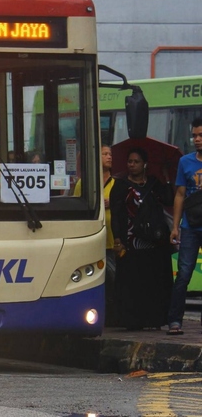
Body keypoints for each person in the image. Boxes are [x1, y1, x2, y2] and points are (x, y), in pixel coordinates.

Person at [109, 147, 173, 330]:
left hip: (155, 242)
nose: (132, 165)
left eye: (136, 161)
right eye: (130, 161)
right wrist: (118, 239)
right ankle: (133, 321)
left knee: (154, 281)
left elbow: (168, 199)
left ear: (145, 164)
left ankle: (155, 319)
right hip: (132, 242)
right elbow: (117, 214)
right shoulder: (121, 186)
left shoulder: (154, 183)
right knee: (133, 283)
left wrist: (166, 176)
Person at [74, 145, 117, 325]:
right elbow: (76, 209)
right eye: (104, 154)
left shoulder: (117, 183)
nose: (109, 157)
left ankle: (113, 315)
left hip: (112, 240)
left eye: (110, 154)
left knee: (114, 279)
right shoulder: (84, 183)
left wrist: (112, 203)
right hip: (92, 240)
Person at [168, 118, 202, 335]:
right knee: (184, 274)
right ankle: (175, 321)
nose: (197, 139)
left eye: (201, 135)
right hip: (190, 226)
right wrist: (175, 226)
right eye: (194, 135)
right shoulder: (185, 162)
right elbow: (180, 195)